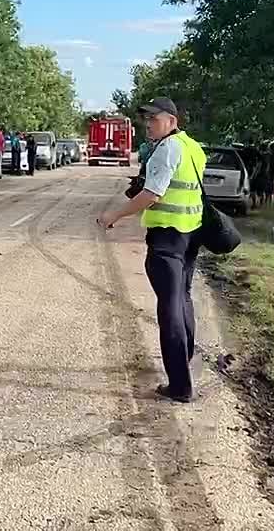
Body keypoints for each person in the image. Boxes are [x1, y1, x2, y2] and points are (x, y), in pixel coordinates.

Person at [97, 98, 206, 403]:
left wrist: (113, 215)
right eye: (146, 119)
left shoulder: (167, 148)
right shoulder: (192, 147)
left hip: (167, 239)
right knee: (182, 300)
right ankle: (184, 365)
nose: (148, 124)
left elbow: (152, 195)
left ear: (172, 120)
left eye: (154, 119)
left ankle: (180, 386)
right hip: (189, 235)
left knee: (169, 309)